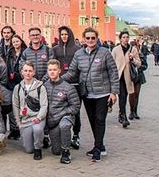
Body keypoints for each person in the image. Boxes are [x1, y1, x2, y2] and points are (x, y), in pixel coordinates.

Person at [63, 27, 119, 162]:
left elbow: (113, 73)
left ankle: (98, 149)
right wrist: (55, 79)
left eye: (93, 38)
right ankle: (100, 145)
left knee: (100, 120)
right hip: (87, 94)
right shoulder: (79, 54)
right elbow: (72, 73)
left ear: (97, 38)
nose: (90, 40)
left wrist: (114, 92)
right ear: (83, 39)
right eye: (87, 38)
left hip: (103, 93)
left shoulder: (105, 53)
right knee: (93, 120)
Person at [43, 59, 80, 164]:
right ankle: (59, 145)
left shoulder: (68, 87)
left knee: (64, 126)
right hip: (52, 121)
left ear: (59, 71)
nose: (52, 72)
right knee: (55, 151)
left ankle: (66, 152)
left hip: (65, 117)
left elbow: (76, 106)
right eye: (50, 70)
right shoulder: (44, 86)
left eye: (54, 69)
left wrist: (62, 113)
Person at [53, 26, 82, 149]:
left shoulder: (77, 49)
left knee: (75, 111)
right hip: (60, 84)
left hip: (74, 83)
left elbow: (78, 67)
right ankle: (62, 135)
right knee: (60, 109)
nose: (64, 36)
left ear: (70, 35)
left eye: (66, 34)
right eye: (62, 34)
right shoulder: (55, 49)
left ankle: (76, 135)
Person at [12, 61, 48, 160]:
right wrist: (18, 122)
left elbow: (44, 105)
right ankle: (37, 139)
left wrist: (39, 117)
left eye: (30, 71)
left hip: (36, 118)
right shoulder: (18, 87)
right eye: (26, 70)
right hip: (25, 120)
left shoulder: (40, 87)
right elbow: (15, 105)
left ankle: (38, 148)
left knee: (37, 129)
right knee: (28, 150)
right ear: (22, 72)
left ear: (34, 72)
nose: (28, 73)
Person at [112, 31, 141, 128]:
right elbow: (111, 64)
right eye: (123, 37)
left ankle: (121, 114)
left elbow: (139, 63)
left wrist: (133, 59)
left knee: (128, 95)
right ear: (120, 39)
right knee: (122, 97)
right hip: (119, 77)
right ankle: (123, 116)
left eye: (127, 37)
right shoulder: (115, 49)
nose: (125, 39)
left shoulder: (133, 49)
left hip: (128, 77)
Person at [129, 39, 147, 120]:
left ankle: (135, 111)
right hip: (130, 76)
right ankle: (131, 111)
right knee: (131, 94)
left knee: (136, 94)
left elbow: (145, 66)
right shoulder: (128, 55)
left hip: (139, 76)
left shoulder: (141, 55)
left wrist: (140, 67)